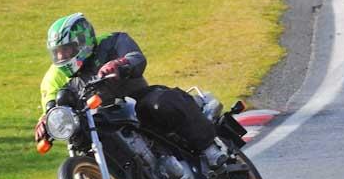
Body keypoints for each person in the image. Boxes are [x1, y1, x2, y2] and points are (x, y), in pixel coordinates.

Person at [35, 13, 227, 170]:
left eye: (66, 51)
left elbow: (136, 57)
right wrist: (46, 121)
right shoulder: (54, 77)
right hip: (98, 119)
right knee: (83, 142)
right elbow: (52, 104)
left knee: (157, 102)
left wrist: (119, 64)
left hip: (136, 101)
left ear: (82, 41)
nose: (61, 57)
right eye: (57, 53)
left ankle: (209, 148)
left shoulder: (111, 41)